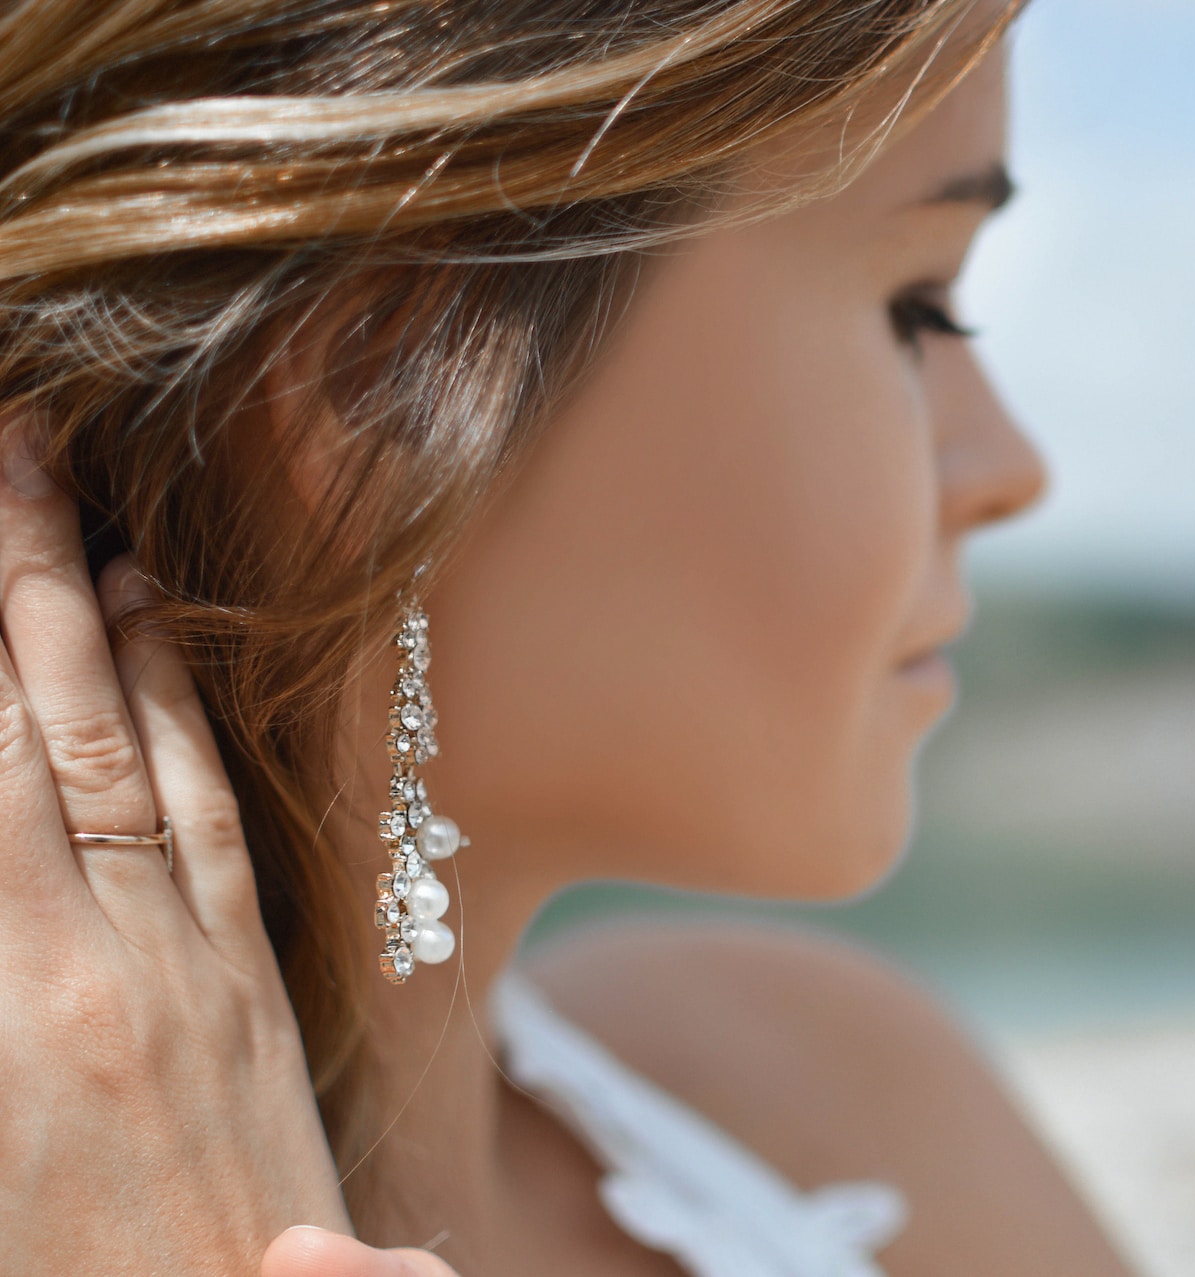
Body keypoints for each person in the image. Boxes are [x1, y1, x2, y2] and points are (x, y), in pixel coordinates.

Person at [0, 0, 1136, 1271]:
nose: (1013, 469)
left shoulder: (831, 1079)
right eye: (918, 306)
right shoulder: (822, 1103)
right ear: (389, 387)